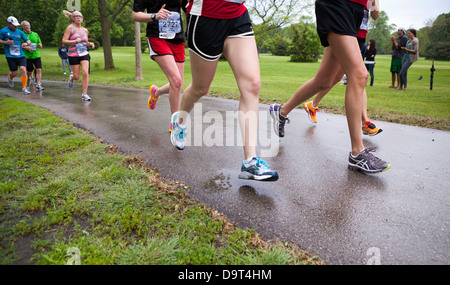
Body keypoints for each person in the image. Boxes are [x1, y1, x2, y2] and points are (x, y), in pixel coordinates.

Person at [269, 0, 390, 174]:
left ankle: (281, 111)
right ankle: (357, 152)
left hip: (356, 12)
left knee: (325, 80)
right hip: (337, 5)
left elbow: (375, 13)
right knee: (360, 75)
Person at [170, 0, 278, 181]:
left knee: (252, 85)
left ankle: (250, 162)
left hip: (237, 15)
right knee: (200, 88)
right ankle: (179, 121)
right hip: (206, 16)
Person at [301, 0, 382, 136]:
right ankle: (365, 123)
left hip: (359, 35)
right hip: (342, 29)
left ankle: (308, 105)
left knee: (345, 78)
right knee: (355, 77)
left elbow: (374, 15)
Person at [132, 0, 188, 132]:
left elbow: (188, 8)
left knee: (177, 84)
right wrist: (154, 16)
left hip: (177, 39)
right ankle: (176, 124)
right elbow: (135, 15)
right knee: (176, 81)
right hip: (157, 37)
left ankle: (156, 92)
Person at [62, 10, 95, 101]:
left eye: (80, 16)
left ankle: (84, 94)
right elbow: (64, 41)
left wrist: (90, 43)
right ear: (73, 18)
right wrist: (74, 41)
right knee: (77, 76)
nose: (78, 17)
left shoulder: (85, 30)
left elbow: (85, 42)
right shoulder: (70, 28)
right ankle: (72, 78)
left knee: (85, 72)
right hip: (73, 54)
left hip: (84, 53)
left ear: (82, 18)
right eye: (76, 16)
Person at [0, 16, 31, 94]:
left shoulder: (19, 32)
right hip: (10, 55)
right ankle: (10, 77)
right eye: (14, 25)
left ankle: (24, 88)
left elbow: (29, 41)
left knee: (23, 69)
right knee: (14, 73)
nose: (16, 27)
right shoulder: (3, 31)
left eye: (17, 25)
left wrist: (26, 43)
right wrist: (6, 42)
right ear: (9, 24)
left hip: (20, 54)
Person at [20, 20, 44, 91]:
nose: (27, 26)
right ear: (23, 27)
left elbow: (40, 43)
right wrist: (27, 47)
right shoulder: (22, 35)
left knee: (39, 69)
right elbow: (20, 46)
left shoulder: (35, 34)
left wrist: (40, 45)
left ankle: (38, 84)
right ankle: (29, 79)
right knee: (30, 71)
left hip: (36, 55)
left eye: (28, 25)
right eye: (25, 25)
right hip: (27, 56)